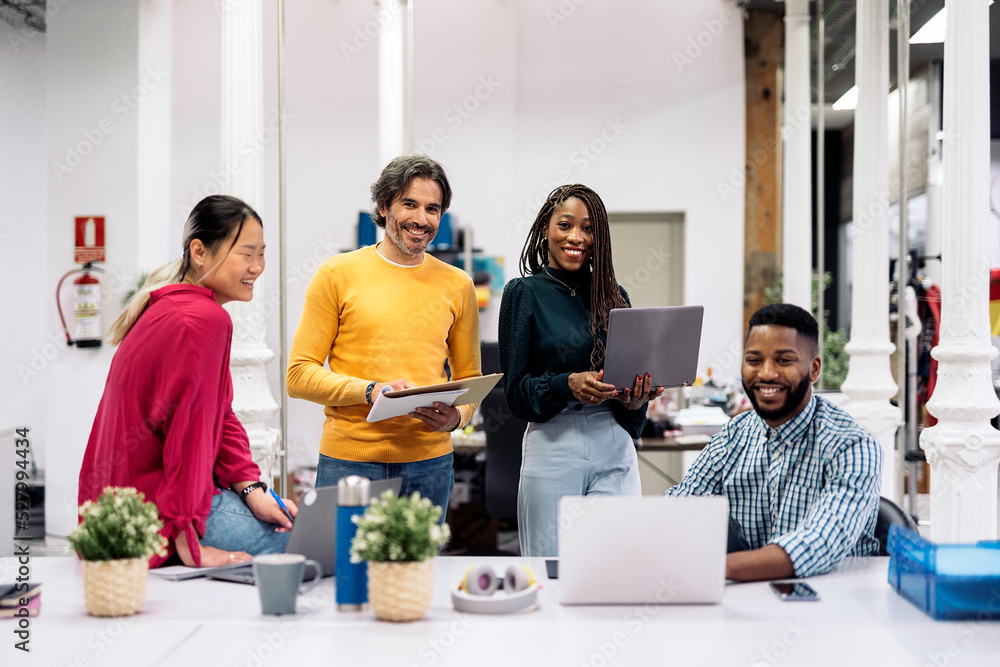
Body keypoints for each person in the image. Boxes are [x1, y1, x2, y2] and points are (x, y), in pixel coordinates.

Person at [79, 195, 297, 569]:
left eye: (262, 254)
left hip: (117, 517)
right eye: (246, 253)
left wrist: (252, 488)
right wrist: (188, 540)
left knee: (294, 523)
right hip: (154, 518)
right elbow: (189, 434)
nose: (258, 267)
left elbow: (218, 414)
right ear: (199, 251)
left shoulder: (171, 307)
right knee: (306, 541)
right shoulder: (201, 319)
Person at [286, 155, 481, 515]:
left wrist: (458, 417)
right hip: (350, 463)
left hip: (430, 465)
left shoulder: (459, 285)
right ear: (383, 205)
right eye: (410, 204)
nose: (421, 219)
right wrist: (371, 390)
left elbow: (470, 378)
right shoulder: (336, 274)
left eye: (432, 209)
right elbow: (298, 375)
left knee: (418, 572)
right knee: (343, 570)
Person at [498, 184, 663, 557]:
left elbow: (630, 401)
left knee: (620, 565)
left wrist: (636, 401)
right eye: (565, 225)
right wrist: (566, 384)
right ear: (545, 229)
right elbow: (515, 393)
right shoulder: (523, 293)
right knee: (551, 568)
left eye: (588, 229)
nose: (576, 237)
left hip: (614, 442)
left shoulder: (614, 296)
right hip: (554, 442)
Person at [666, 303, 882, 581]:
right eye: (754, 360)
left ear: (814, 369)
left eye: (784, 360)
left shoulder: (853, 446)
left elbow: (819, 542)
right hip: (751, 601)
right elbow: (680, 509)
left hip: (837, 605)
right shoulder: (734, 435)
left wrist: (714, 568)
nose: (766, 373)